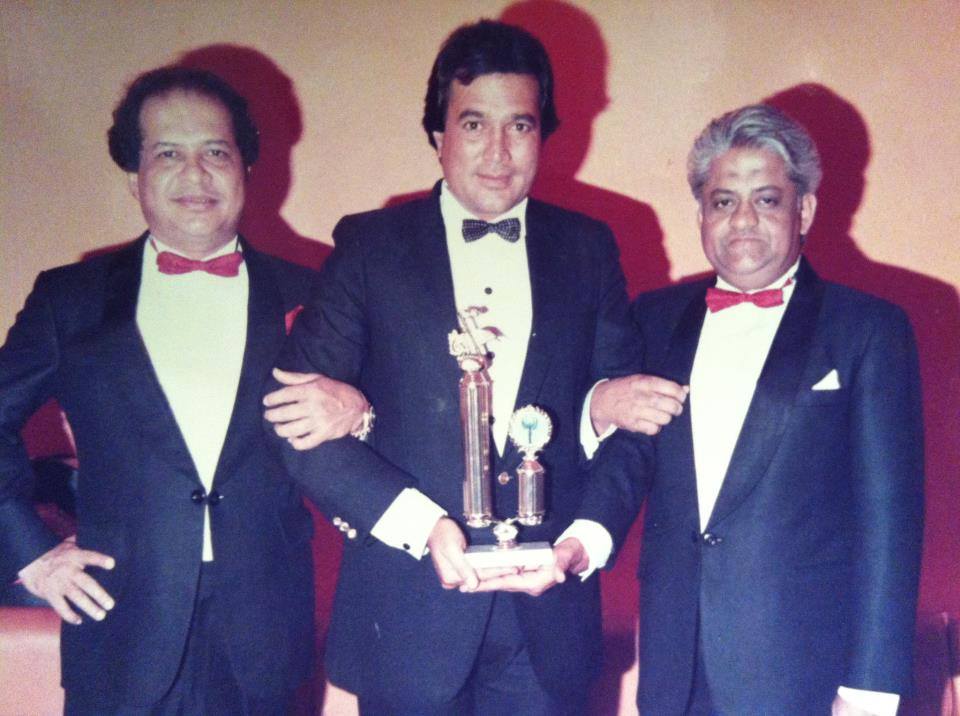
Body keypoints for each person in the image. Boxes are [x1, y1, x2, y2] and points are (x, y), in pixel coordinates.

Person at [263, 19, 685, 715]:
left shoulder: (589, 248)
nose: (497, 151)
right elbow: (293, 422)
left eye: (519, 126)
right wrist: (419, 525)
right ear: (437, 135)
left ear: (543, 135)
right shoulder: (370, 248)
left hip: (547, 620)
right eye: (472, 125)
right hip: (405, 617)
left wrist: (584, 540)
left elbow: (629, 417)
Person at [0, 67, 335, 714]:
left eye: (215, 151)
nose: (196, 174)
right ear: (135, 178)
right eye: (168, 154)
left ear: (245, 168)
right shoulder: (68, 300)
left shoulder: (312, 294)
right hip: (121, 628)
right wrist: (30, 553)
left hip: (266, 640)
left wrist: (359, 406)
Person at [575, 104, 925, 714]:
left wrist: (870, 690)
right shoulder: (654, 320)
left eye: (766, 200)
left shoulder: (868, 330)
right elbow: (626, 459)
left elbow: (889, 528)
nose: (742, 221)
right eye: (722, 201)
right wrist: (597, 415)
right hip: (675, 668)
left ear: (804, 210)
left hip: (804, 675)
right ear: (702, 214)